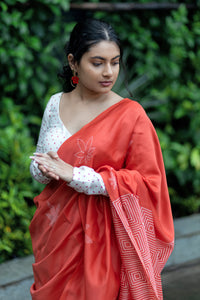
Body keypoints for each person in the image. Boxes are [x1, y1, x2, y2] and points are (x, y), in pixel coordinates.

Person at [29, 18, 174, 300]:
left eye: (115, 62)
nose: (109, 72)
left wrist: (78, 175)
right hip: (55, 236)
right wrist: (43, 168)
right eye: (97, 63)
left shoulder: (132, 116)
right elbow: (40, 165)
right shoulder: (55, 103)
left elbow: (148, 182)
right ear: (73, 62)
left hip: (106, 244)